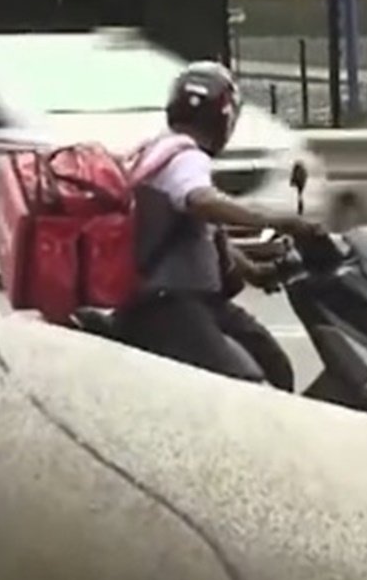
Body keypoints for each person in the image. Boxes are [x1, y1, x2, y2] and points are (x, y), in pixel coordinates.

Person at [116, 60, 324, 391]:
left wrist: (256, 271)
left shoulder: (162, 148)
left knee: (275, 365)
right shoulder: (186, 156)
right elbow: (203, 202)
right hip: (169, 304)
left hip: (195, 299)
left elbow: (204, 232)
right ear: (225, 117)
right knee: (244, 384)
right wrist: (279, 219)